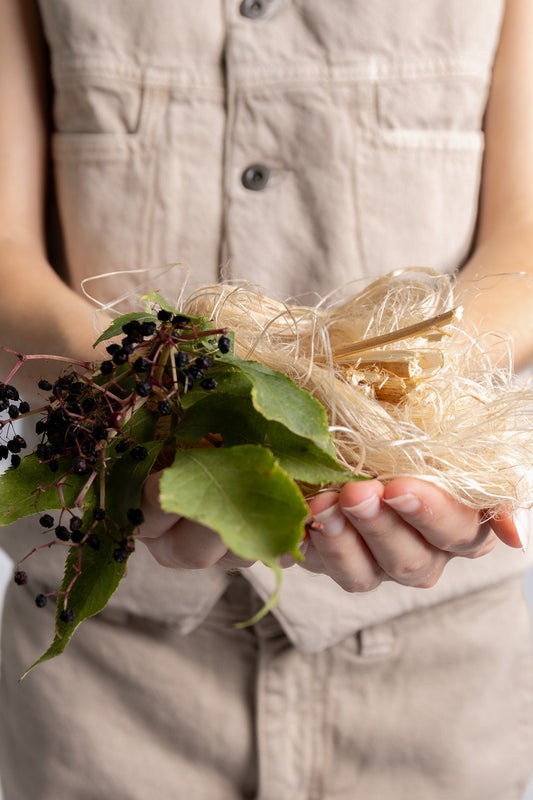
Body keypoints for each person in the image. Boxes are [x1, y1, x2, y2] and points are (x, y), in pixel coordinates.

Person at [0, 1, 532, 798]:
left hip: (435, 670)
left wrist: (399, 408)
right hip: (108, 664)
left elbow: (523, 229)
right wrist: (152, 384)